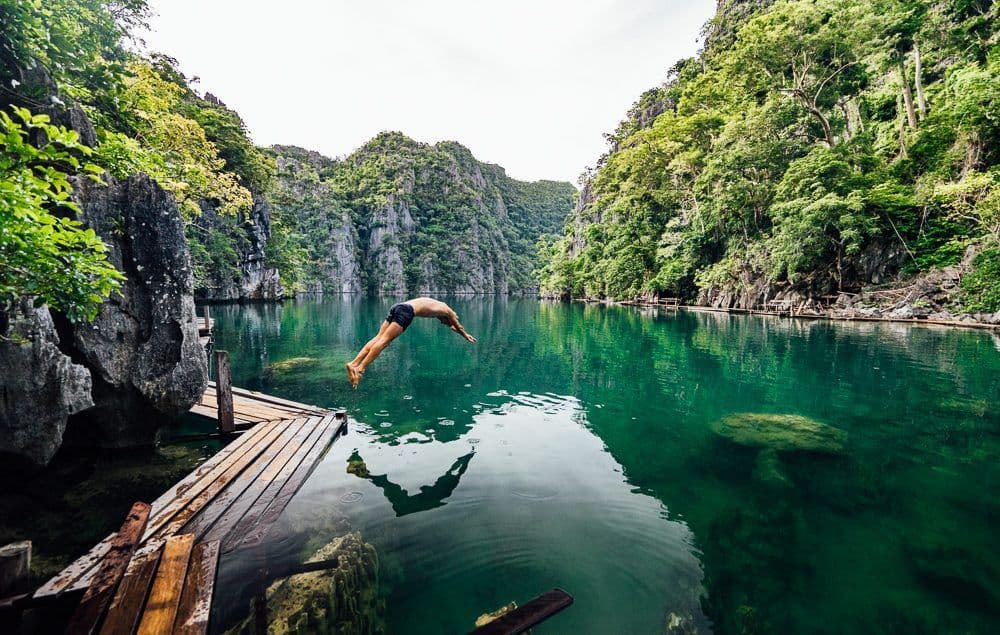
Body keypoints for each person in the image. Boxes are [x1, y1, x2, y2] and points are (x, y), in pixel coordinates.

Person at [346, 297, 476, 389]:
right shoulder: (449, 312)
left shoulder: (440, 306)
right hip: (406, 312)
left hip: (398, 306)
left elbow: (453, 327)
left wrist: (455, 328)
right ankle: (361, 369)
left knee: (378, 337)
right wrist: (465, 335)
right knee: (385, 341)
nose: (443, 323)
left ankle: (354, 363)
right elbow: (457, 326)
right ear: (451, 317)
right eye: (446, 322)